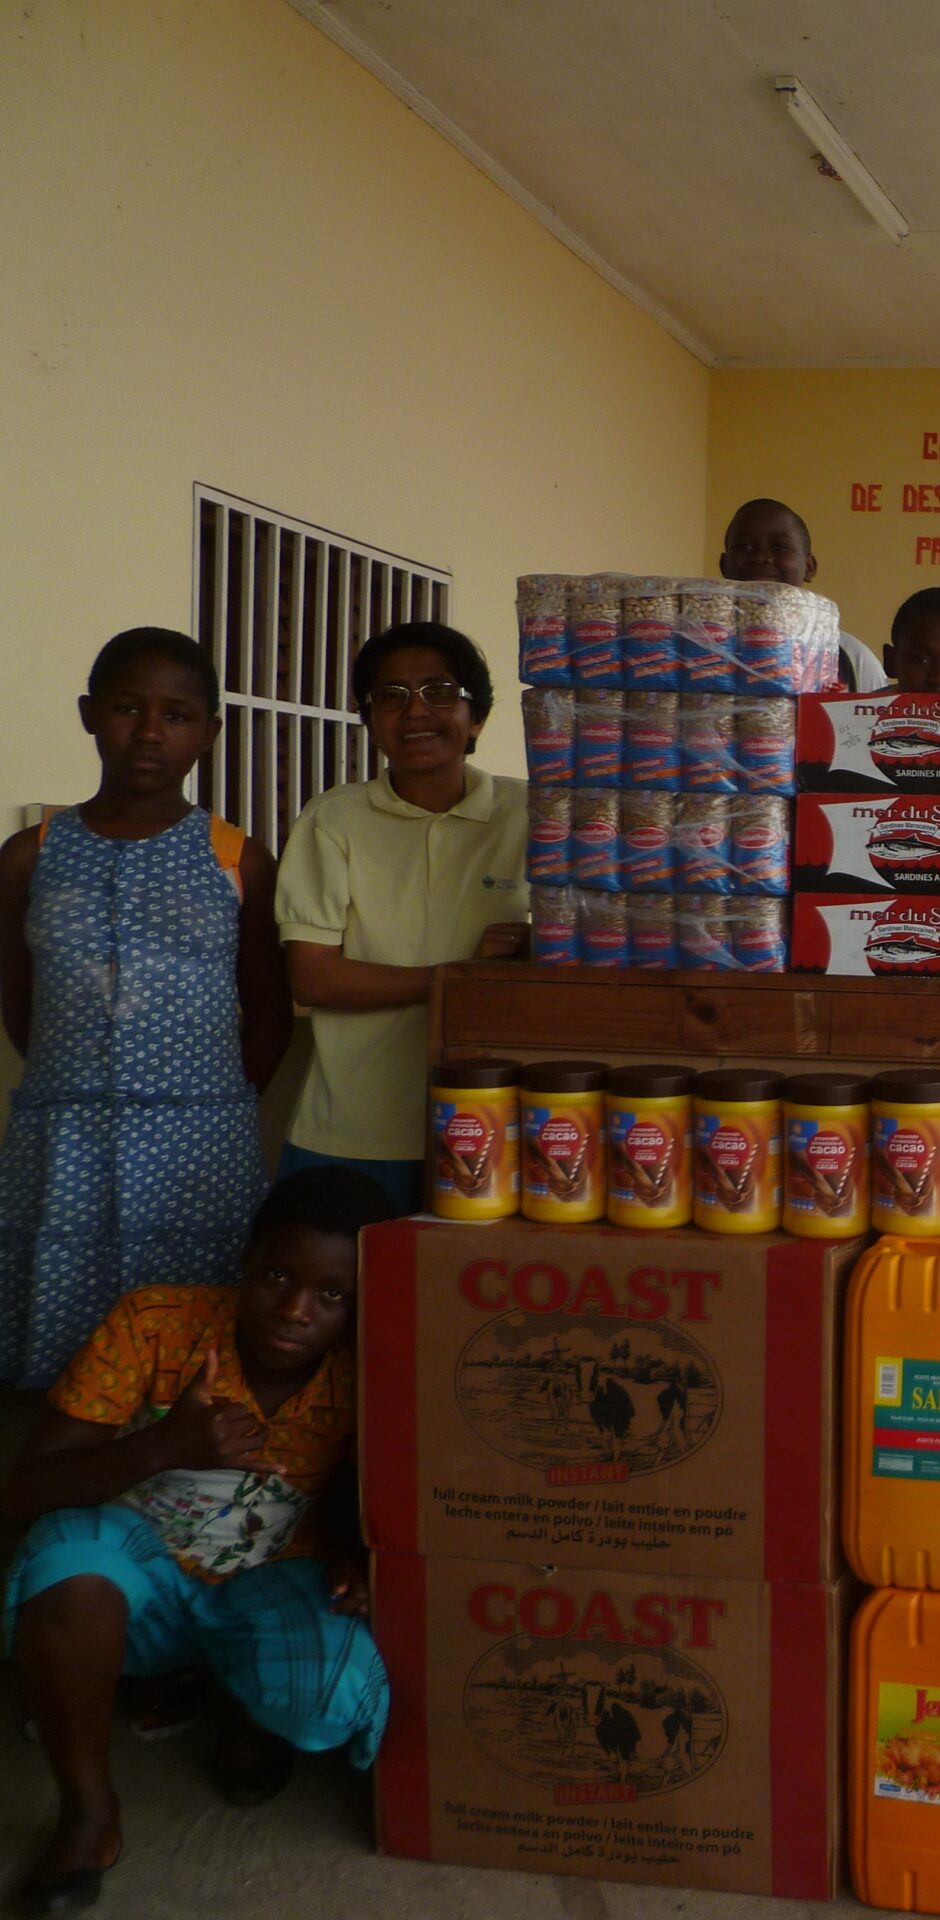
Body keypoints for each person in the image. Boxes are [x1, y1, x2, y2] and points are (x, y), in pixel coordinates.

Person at [2, 1167, 397, 1913]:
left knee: (328, 1694)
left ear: (361, 1303)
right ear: (245, 1259)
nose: (294, 1309)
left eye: (331, 1294)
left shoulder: (371, 1368)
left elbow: (385, 1502)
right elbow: (20, 1492)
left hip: (274, 1577)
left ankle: (235, 1695)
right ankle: (88, 1814)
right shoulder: (156, 1322)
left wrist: (357, 1560)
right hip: (136, 1581)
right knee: (67, 1568)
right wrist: (160, 1446)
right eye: (276, 1275)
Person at [0, 630, 291, 1389]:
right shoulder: (30, 855)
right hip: (63, 1139)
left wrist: (216, 1111)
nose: (151, 732)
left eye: (177, 715)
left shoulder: (237, 858)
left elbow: (270, 1011)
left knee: (187, 1351)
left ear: (209, 731)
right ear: (89, 714)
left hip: (199, 1152)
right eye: (128, 708)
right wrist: (75, 1086)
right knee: (59, 1345)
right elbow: (20, 998)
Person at [275, 623, 528, 1212]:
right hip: (353, 1130)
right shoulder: (333, 819)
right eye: (390, 696)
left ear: (477, 717)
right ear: (369, 721)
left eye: (439, 691)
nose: (415, 711)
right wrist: (458, 977)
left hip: (499, 1120)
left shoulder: (532, 813)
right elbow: (313, 977)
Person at [718, 496, 889, 693]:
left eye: (779, 547)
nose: (761, 557)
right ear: (724, 565)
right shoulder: (698, 647)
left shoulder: (851, 658)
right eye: (745, 546)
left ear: (809, 567)